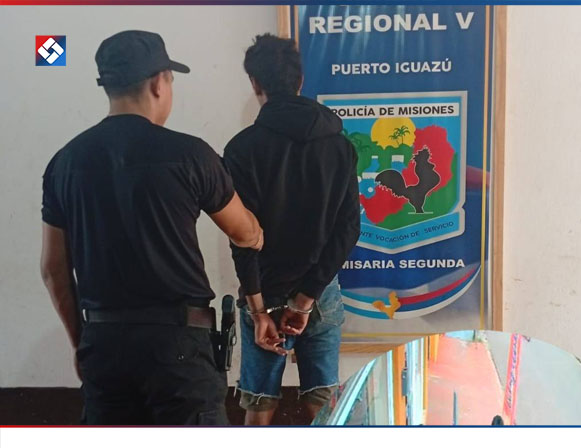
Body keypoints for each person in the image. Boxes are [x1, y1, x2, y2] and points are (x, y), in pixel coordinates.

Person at [40, 30, 263, 425]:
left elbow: (54, 269)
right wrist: (257, 230)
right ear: (159, 83)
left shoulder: (65, 162)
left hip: (104, 345)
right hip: (179, 347)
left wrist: (81, 344)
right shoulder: (191, 155)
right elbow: (244, 233)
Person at [224, 34, 360, 426]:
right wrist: (306, 297)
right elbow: (349, 228)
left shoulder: (242, 149)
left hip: (263, 292)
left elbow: (242, 238)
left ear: (255, 83)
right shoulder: (339, 146)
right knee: (325, 407)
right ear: (300, 80)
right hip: (320, 292)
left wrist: (258, 309)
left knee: (259, 406)